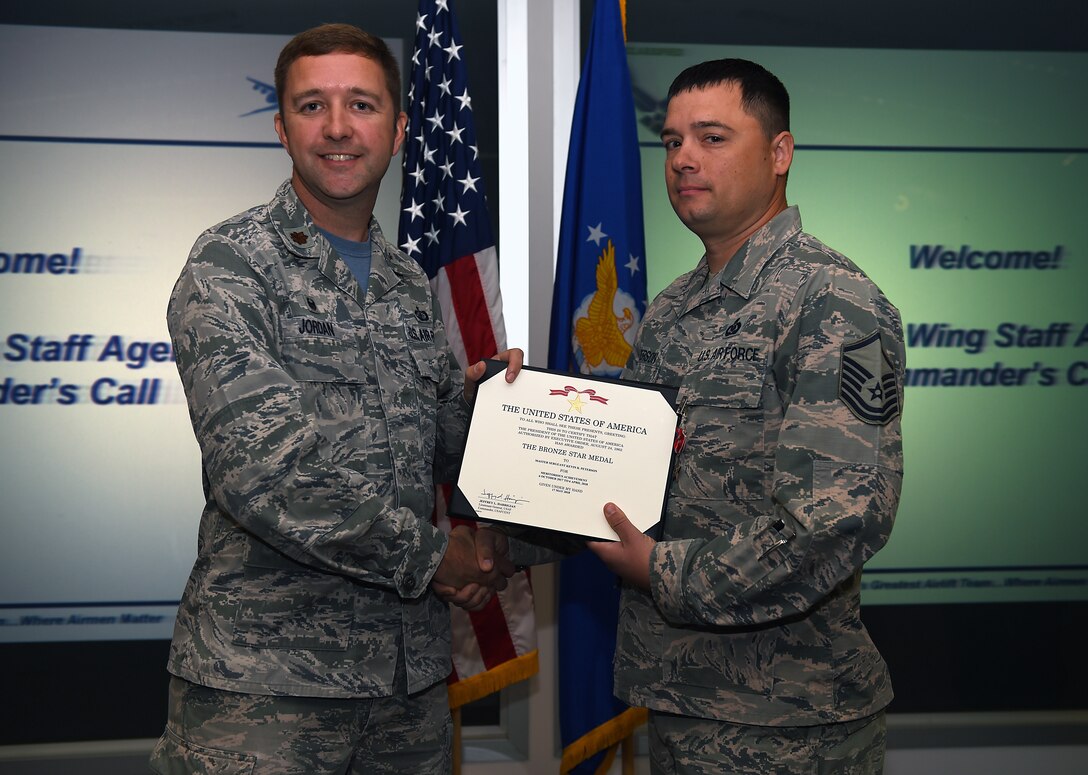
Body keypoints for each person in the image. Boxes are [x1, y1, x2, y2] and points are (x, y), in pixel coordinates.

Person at [463, 58, 905, 773]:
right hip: (682, 702)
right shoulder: (673, 309)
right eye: (671, 142)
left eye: (712, 137)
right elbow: (621, 483)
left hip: (788, 724)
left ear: (780, 153)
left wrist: (663, 570)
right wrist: (501, 441)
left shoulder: (833, 301)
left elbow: (839, 520)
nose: (684, 160)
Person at [150, 23, 519, 775]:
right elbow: (264, 472)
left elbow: (437, 443)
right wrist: (434, 555)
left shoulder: (408, 283)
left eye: (362, 104)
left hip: (405, 692)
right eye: (313, 106)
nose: (340, 127)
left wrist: (507, 420)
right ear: (283, 128)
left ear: (399, 127)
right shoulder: (230, 264)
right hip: (266, 696)